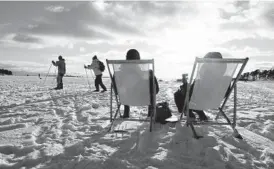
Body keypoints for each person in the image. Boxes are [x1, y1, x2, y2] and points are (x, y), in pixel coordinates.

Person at [121, 49, 159, 118]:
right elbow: (142, 77)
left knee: (126, 89)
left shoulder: (120, 70)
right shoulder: (135, 68)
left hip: (126, 98)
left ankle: (126, 112)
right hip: (141, 97)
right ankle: (151, 112)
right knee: (151, 82)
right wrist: (149, 73)